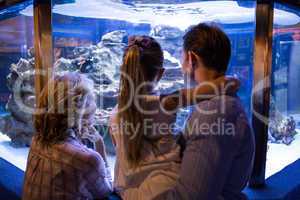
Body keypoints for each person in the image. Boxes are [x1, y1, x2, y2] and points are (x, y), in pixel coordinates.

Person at [109, 35, 240, 200]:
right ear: (161, 73)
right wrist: (234, 80)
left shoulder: (113, 114)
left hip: (126, 190)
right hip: (163, 188)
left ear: (124, 69)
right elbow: (228, 84)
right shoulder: (166, 102)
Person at [154, 23, 255, 200]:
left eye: (181, 61)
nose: (181, 68)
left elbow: (191, 196)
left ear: (191, 59)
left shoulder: (212, 114)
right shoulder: (225, 102)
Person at [22, 72, 112, 200]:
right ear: (80, 112)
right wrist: (100, 146)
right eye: (91, 100)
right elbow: (106, 191)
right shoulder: (88, 159)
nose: (95, 107)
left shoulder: (37, 139)